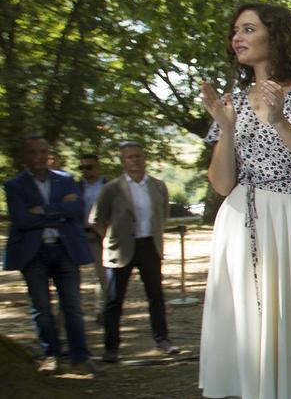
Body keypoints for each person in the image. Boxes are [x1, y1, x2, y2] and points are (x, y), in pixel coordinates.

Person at [199, 2, 291, 398]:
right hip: (241, 222)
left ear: (277, 36)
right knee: (251, 330)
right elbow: (220, 184)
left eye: (248, 29)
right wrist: (226, 130)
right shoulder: (231, 100)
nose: (237, 38)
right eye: (236, 30)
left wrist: (277, 120)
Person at [3, 135, 94, 375]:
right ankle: (51, 354)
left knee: (73, 307)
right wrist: (59, 212)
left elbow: (76, 209)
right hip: (34, 253)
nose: (39, 157)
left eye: (43, 152)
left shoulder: (66, 180)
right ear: (25, 156)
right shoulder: (15, 185)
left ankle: (79, 357)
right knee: (41, 308)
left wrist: (41, 211)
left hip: (66, 250)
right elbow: (21, 220)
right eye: (34, 152)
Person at [90, 141, 179, 361]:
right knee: (114, 300)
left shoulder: (158, 186)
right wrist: (111, 238)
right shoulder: (112, 188)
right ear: (123, 161)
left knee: (155, 295)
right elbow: (97, 219)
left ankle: (162, 339)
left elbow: (163, 213)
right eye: (130, 157)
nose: (135, 161)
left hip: (149, 245)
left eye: (138, 156)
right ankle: (111, 347)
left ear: (144, 158)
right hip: (121, 248)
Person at [77, 152, 109, 323]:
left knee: (102, 275)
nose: (85, 171)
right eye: (81, 167)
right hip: (80, 234)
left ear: (97, 167)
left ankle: (102, 310)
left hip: (101, 234)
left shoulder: (107, 185)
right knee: (76, 277)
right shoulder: (76, 187)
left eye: (89, 167)